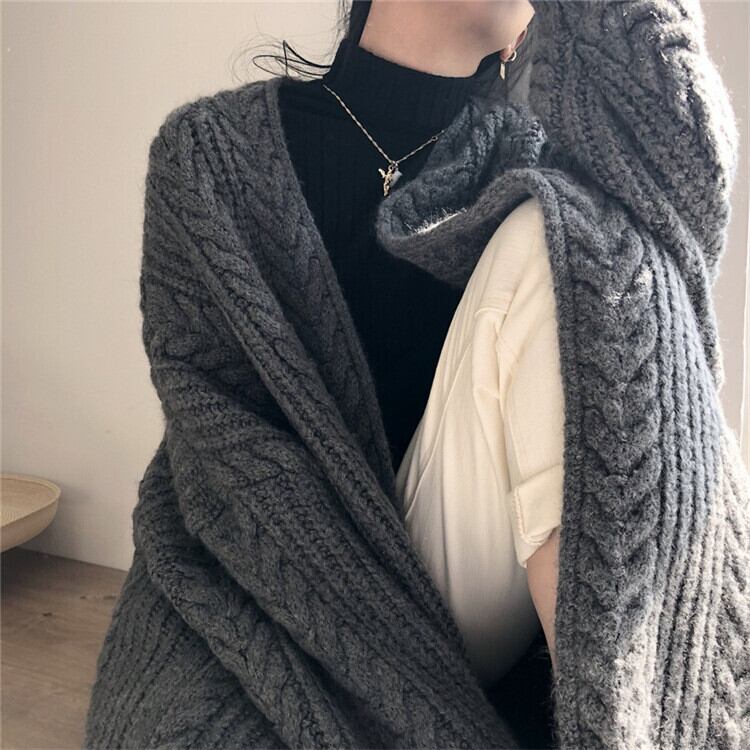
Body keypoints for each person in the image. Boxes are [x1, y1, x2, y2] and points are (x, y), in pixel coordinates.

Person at [84, 1, 747, 747]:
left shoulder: (535, 162)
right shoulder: (209, 155)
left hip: (468, 579)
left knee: (579, 240)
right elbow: (223, 441)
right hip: (292, 574)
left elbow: (685, 217)